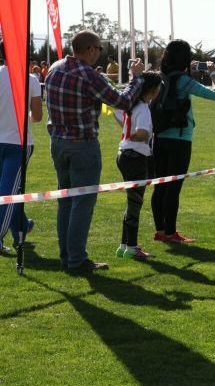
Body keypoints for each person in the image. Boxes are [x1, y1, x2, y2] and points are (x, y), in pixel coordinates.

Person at [45, 30, 145, 272]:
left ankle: (67, 256)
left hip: (58, 143)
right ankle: (77, 259)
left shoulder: (54, 68)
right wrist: (137, 78)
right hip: (83, 145)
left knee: (66, 202)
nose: (100, 53)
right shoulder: (88, 75)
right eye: (99, 49)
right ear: (90, 49)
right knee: (83, 203)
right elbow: (123, 102)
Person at [151, 39, 215, 245]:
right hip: (180, 138)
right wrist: (214, 74)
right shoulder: (184, 80)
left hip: (159, 136)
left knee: (160, 185)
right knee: (174, 186)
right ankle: (171, 232)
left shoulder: (160, 77)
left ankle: (161, 230)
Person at [113, 72, 162, 260]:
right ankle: (132, 247)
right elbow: (141, 133)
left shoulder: (131, 106)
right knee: (135, 204)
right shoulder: (143, 109)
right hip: (135, 157)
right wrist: (138, 136)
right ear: (152, 90)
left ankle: (124, 244)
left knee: (131, 202)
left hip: (123, 154)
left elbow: (118, 114)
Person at [0, 41, 43, 253]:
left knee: (9, 189)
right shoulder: (31, 79)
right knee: (9, 191)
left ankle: (21, 228)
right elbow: (37, 116)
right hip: (18, 142)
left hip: (4, 140)